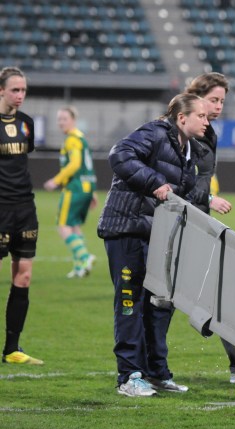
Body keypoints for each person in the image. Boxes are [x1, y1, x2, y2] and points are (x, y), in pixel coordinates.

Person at [98, 93, 209, 397]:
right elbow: (119, 155)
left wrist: (208, 200)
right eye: (201, 115)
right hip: (127, 230)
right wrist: (152, 181)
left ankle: (156, 373)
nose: (207, 120)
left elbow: (180, 193)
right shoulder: (155, 133)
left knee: (158, 307)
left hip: (154, 235)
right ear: (182, 117)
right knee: (130, 302)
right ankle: (129, 376)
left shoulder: (189, 149)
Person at [185, 72, 235, 383]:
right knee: (161, 302)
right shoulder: (178, 131)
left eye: (222, 101)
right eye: (214, 100)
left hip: (199, 217)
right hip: (180, 219)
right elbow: (175, 180)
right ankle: (149, 369)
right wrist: (208, 197)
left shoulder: (210, 134)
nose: (219, 107)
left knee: (222, 291)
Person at [0, 67, 43, 365]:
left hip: (25, 209)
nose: (20, 95)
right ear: (1, 90)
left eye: (24, 90)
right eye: (15, 90)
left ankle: (12, 349)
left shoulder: (26, 124)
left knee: (23, 277)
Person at [42, 106, 98, 279]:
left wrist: (55, 180)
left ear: (73, 119)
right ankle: (80, 267)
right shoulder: (82, 138)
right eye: (59, 119)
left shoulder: (72, 139)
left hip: (74, 188)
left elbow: (74, 164)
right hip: (86, 187)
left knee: (63, 226)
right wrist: (93, 192)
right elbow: (87, 167)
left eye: (64, 119)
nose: (61, 122)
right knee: (74, 226)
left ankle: (84, 256)